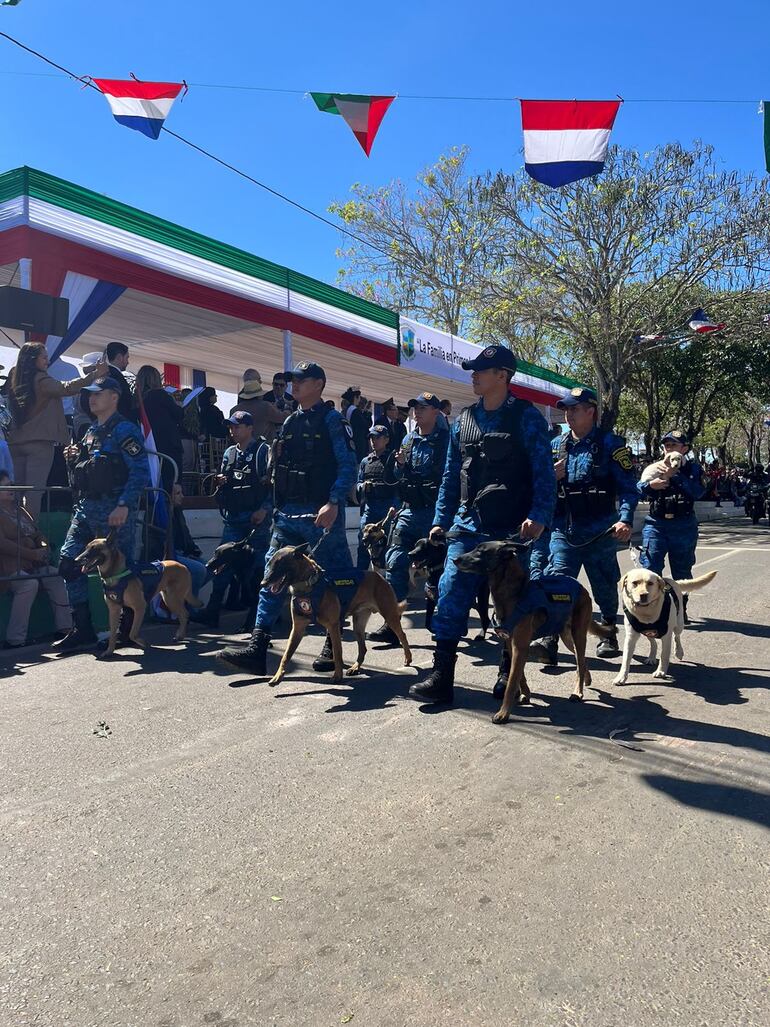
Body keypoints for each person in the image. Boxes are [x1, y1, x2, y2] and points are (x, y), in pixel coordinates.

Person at [408, 345, 556, 705]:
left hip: (513, 528)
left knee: (510, 603)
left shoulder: (526, 417)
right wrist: (441, 521)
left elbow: (544, 473)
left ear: (502, 376)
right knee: (450, 591)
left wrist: (539, 515)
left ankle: (508, 672)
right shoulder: (464, 420)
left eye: (480, 371)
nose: (473, 375)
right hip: (468, 525)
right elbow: (450, 476)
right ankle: (442, 674)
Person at [216, 360, 357, 676]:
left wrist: (334, 502)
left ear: (318, 384)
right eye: (292, 380)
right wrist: (273, 506)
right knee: (271, 576)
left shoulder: (333, 421)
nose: (294, 384)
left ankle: (332, 645)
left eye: (301, 380)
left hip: (321, 514)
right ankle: (258, 646)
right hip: (288, 514)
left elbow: (348, 464)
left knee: (335, 578)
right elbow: (275, 471)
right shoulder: (290, 422)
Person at [530, 388, 638, 664]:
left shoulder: (612, 445)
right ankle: (550, 637)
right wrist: (550, 477)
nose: (568, 413)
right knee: (556, 580)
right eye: (566, 408)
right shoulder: (555, 446)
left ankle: (608, 632)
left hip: (601, 530)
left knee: (603, 583)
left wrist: (625, 518)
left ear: (591, 411)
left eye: (574, 408)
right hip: (564, 528)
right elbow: (538, 487)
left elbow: (628, 488)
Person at [53, 377, 150, 654]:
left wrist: (124, 504)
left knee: (123, 573)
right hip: (87, 509)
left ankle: (126, 632)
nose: (92, 399)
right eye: (89, 394)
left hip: (114, 513)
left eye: (98, 394)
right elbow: (88, 471)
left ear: (114, 396)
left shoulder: (125, 430)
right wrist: (74, 459)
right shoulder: (90, 431)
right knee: (69, 564)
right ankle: (82, 627)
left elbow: (140, 470)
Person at [368, 393, 449, 644]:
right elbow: (395, 473)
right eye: (414, 407)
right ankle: (392, 624)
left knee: (440, 569)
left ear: (436, 411)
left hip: (435, 510)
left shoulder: (447, 441)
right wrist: (399, 465)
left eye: (423, 408)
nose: (417, 412)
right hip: (410, 510)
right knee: (394, 560)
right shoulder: (408, 439)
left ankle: (443, 620)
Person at [5, 343, 108, 518]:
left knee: (16, 492)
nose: (47, 360)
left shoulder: (16, 380)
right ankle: (30, 534)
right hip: (39, 443)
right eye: (44, 357)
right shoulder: (41, 380)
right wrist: (95, 374)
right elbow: (66, 388)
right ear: (33, 359)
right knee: (35, 492)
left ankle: (15, 532)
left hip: (16, 442)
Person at [191, 411, 272, 627]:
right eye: (231, 427)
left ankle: (258, 618)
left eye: (237, 426)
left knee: (257, 570)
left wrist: (265, 510)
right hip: (234, 518)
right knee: (222, 564)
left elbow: (273, 485)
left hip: (255, 520)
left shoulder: (262, 452)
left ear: (249, 427)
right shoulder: (229, 453)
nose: (232, 431)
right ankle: (213, 611)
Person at [637, 429, 707, 622]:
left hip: (683, 525)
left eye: (674, 445)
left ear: (684, 449)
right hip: (656, 524)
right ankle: (654, 611)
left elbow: (698, 492)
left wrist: (675, 476)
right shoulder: (654, 468)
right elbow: (638, 490)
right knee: (650, 568)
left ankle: (679, 609)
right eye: (667, 445)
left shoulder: (694, 470)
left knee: (682, 571)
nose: (669, 449)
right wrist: (650, 486)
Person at [0, 471, 71, 648]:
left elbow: (38, 533)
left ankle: (66, 629)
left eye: (11, 485)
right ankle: (15, 639)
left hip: (34, 562)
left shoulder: (20, 510)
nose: (11, 489)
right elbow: (3, 544)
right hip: (9, 567)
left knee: (55, 576)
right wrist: (33, 554)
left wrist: (44, 547)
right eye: (6, 486)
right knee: (28, 584)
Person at [134, 365, 184, 499]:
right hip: (169, 445)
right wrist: (177, 403)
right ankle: (174, 516)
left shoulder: (138, 399)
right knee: (173, 484)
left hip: (150, 445)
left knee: (155, 483)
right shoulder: (161, 395)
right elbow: (179, 414)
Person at [356, 424, 398, 570]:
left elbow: (399, 483)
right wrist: (362, 487)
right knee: (363, 542)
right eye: (372, 438)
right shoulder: (365, 461)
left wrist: (396, 507)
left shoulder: (392, 459)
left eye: (378, 438)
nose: (374, 441)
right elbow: (358, 483)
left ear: (386, 440)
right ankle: (361, 576)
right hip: (370, 507)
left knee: (388, 543)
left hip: (388, 507)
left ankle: (387, 579)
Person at [103, 342, 137, 422]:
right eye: (127, 358)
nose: (128, 362)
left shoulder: (106, 374)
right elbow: (122, 404)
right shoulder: (116, 377)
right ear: (119, 357)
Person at [350, 395, 373, 463]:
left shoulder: (358, 412)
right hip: (359, 442)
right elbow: (367, 424)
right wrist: (368, 413)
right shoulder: (358, 413)